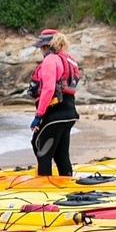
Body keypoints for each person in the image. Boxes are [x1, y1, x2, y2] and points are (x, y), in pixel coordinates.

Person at [28, 29, 82, 177]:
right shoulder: (69, 60)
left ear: (46, 46)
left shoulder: (50, 60)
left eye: (41, 47)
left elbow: (48, 89)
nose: (40, 50)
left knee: (41, 150)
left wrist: (38, 116)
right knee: (61, 155)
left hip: (55, 114)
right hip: (69, 113)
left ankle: (45, 188)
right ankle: (66, 183)